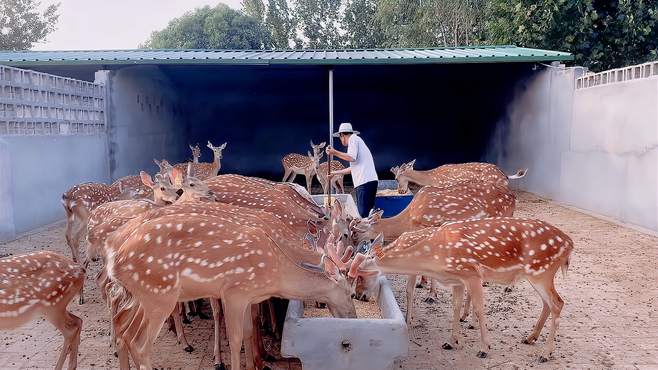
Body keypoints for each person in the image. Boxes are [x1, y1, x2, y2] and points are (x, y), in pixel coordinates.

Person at [325, 122, 379, 217]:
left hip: (364, 182)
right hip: (368, 181)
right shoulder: (357, 141)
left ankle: (367, 231)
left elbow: (351, 157)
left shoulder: (353, 139)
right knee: (368, 214)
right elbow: (352, 168)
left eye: (340, 138)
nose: (341, 140)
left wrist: (334, 152)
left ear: (342, 135)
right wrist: (334, 173)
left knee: (363, 215)